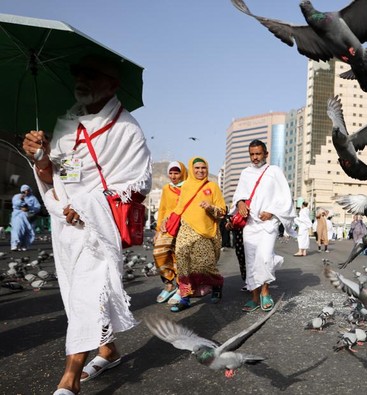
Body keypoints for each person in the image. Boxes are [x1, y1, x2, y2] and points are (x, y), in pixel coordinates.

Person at [22, 55, 151, 394]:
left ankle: (71, 378)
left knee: (86, 295)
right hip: (65, 228)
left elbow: (138, 183)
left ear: (112, 84)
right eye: (78, 73)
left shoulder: (127, 129)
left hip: (100, 227)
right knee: (78, 294)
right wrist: (40, 157)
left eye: (92, 74)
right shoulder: (65, 123)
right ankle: (108, 351)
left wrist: (91, 206)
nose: (82, 79)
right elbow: (55, 177)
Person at [231, 139, 296, 312]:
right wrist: (240, 204)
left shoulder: (274, 171)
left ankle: (265, 292)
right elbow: (238, 196)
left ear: (266, 154)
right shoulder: (245, 173)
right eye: (252, 154)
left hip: (269, 223)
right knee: (251, 260)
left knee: (265, 257)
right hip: (250, 225)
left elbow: (285, 198)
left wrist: (272, 212)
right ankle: (254, 297)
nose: (255, 157)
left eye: (258, 153)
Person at [170, 157, 226, 312]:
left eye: (203, 168)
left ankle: (217, 284)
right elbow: (180, 207)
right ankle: (185, 298)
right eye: (197, 168)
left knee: (204, 265)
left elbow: (222, 211)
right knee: (183, 264)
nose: (200, 171)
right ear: (191, 169)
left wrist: (210, 207)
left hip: (205, 231)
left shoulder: (212, 186)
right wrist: (167, 220)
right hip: (186, 230)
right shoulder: (186, 185)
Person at [153, 161, 187, 304]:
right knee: (158, 253)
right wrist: (158, 228)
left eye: (176, 173)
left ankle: (180, 288)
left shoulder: (188, 187)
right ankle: (168, 283)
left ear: (182, 173)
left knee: (178, 256)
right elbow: (162, 208)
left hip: (183, 226)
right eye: (171, 173)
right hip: (167, 226)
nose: (173, 176)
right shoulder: (167, 188)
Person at [10, 184, 42, 251]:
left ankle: (24, 245)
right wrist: (21, 200)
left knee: (29, 231)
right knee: (17, 230)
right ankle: (14, 244)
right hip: (18, 216)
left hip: (29, 217)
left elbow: (38, 207)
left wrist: (29, 208)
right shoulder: (17, 196)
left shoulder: (33, 198)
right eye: (24, 191)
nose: (26, 192)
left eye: (28, 190)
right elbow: (15, 204)